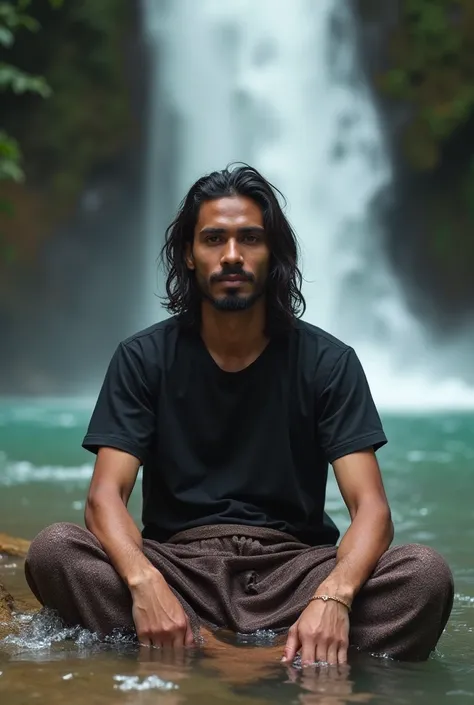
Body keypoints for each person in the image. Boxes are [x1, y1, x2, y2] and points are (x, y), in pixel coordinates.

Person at [25, 164, 454, 665]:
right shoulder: (142, 358)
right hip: (178, 569)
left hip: (295, 574)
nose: (232, 256)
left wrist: (333, 596)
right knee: (55, 550)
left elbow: (372, 511)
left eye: (249, 238)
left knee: (424, 575)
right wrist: (146, 584)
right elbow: (104, 498)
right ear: (189, 253)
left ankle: (207, 655)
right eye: (214, 239)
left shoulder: (328, 362)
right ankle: (276, 658)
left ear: (272, 253)